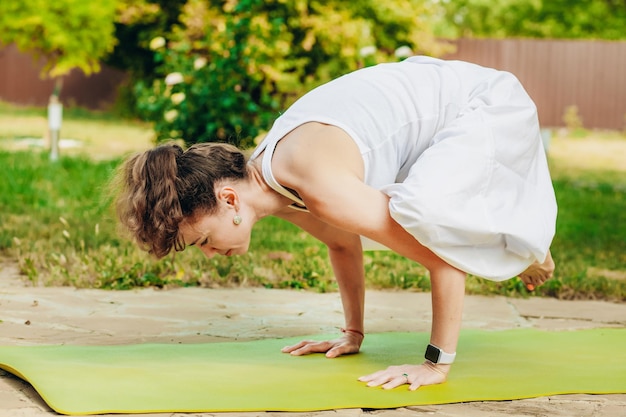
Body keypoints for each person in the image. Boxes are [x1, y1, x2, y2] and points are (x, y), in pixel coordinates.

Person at [114, 56, 557, 390]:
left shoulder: (316, 184)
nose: (210, 254)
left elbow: (443, 261)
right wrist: (353, 334)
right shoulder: (276, 181)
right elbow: (343, 244)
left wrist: (435, 364)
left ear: (228, 199)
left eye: (203, 240)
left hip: (485, 105)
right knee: (404, 212)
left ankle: (528, 241)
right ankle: (520, 240)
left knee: (421, 216)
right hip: (439, 118)